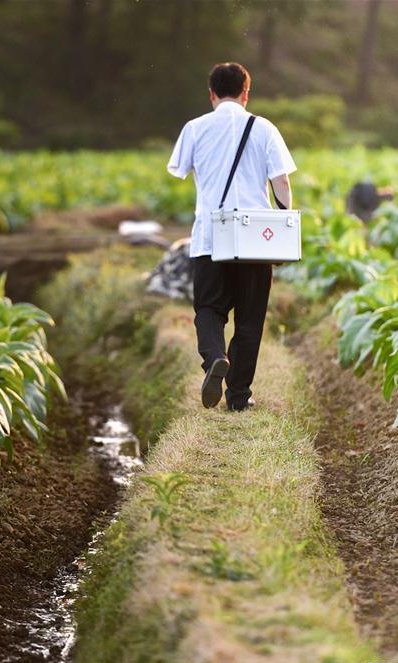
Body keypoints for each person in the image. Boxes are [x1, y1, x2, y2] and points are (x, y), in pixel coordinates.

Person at [167, 62, 295, 411]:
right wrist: (283, 223)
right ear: (246, 92)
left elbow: (179, 170)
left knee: (209, 309)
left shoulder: (194, 128)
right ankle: (239, 397)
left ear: (211, 94)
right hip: (255, 236)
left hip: (210, 235)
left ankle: (213, 361)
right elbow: (281, 181)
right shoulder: (265, 128)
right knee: (250, 318)